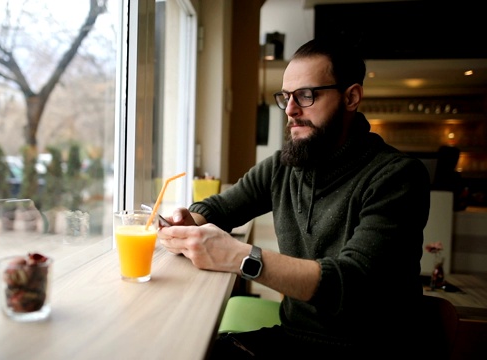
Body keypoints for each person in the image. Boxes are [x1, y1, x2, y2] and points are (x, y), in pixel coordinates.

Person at [158, 37, 431, 358]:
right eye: (286, 97)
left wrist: (240, 256)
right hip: (295, 339)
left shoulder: (397, 176)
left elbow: (351, 284)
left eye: (306, 95)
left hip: (369, 348)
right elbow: (220, 208)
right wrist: (189, 221)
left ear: (351, 97)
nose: (290, 109)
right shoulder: (283, 167)